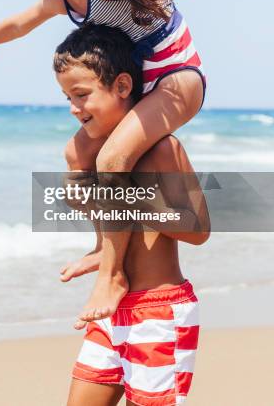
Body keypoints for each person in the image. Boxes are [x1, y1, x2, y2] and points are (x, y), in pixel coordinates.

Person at [0, 0, 206, 325]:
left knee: (112, 157)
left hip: (175, 76)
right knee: (78, 155)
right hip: (139, 80)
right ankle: (104, 243)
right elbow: (19, 23)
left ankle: (112, 276)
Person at [52, 24, 210, 406]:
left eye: (82, 95)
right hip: (110, 311)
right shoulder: (89, 154)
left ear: (123, 87)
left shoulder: (162, 150)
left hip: (159, 311)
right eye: (67, 97)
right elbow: (106, 219)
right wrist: (98, 247)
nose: (74, 108)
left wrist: (134, 200)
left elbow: (199, 229)